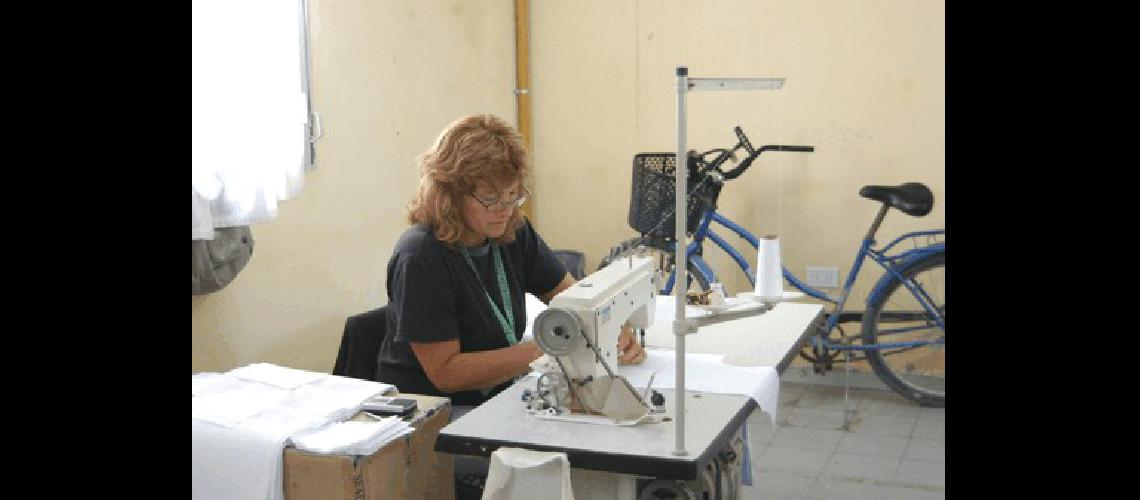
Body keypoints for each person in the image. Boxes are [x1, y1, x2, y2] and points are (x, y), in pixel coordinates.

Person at [375, 113, 646, 411]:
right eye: (491, 198)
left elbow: (573, 299)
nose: (504, 209)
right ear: (450, 194)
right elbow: (447, 374)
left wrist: (608, 327)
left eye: (513, 195)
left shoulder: (511, 231)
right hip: (436, 411)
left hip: (495, 394)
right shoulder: (421, 256)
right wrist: (550, 347)